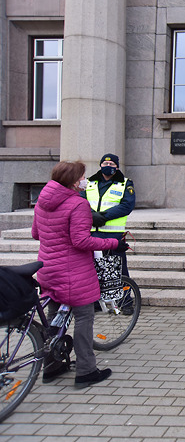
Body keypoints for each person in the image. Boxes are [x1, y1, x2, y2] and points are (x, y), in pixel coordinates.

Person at [32, 161, 129, 388]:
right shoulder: (77, 204)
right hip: (73, 272)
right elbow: (81, 241)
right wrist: (113, 243)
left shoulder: (42, 201)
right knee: (84, 317)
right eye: (82, 177)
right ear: (74, 181)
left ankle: (52, 366)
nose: (84, 181)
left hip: (47, 269)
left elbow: (36, 233)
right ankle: (86, 370)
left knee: (55, 318)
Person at [81, 153, 135, 277]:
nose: (108, 165)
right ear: (100, 165)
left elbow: (127, 206)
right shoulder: (89, 182)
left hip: (113, 234)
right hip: (92, 232)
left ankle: (124, 294)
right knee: (93, 268)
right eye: (105, 163)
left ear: (117, 167)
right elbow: (80, 201)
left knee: (117, 267)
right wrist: (91, 216)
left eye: (112, 164)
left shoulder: (125, 184)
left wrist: (103, 216)